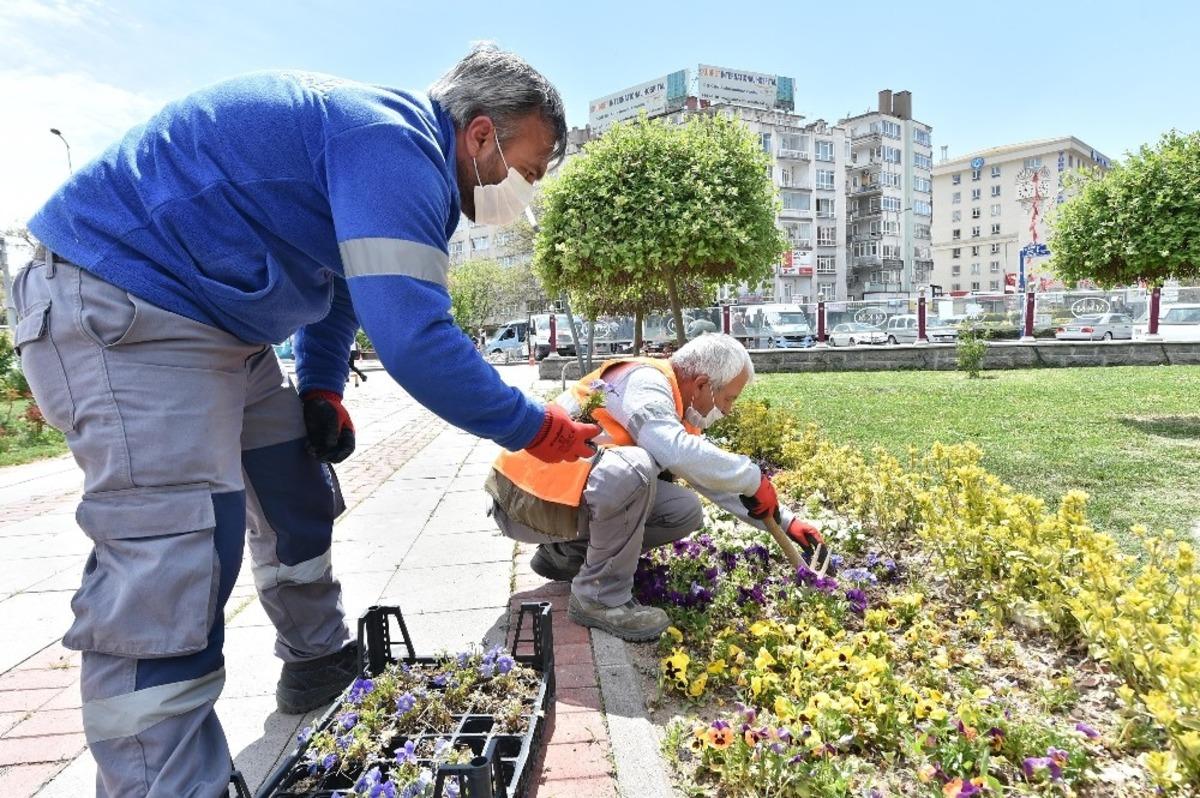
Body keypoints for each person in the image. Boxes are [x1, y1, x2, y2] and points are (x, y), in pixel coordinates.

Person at [12, 44, 599, 797]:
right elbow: (417, 341)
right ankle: (165, 782)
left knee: (294, 488)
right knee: (175, 552)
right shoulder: (394, 145)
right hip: (126, 301)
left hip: (220, 323)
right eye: (532, 167)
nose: (529, 190)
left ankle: (317, 658)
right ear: (481, 134)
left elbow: (344, 287)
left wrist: (322, 388)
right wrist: (539, 429)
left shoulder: (389, 151)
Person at [485, 334, 830, 642]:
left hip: (557, 503)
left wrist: (785, 521)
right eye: (728, 399)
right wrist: (753, 476)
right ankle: (599, 598)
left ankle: (565, 558)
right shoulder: (644, 382)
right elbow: (674, 450)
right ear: (702, 384)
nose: (728, 411)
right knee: (636, 468)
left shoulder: (677, 409)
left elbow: (708, 478)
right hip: (522, 501)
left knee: (682, 510)